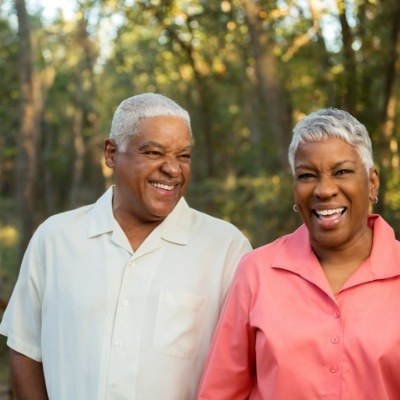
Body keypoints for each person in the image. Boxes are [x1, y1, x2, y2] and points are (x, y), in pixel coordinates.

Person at [0, 93, 251, 400]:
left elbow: (244, 368)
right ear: (111, 153)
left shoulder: (226, 248)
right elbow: (25, 348)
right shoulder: (55, 239)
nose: (173, 169)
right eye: (154, 152)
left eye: (183, 156)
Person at [197, 108, 400, 400]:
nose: (324, 189)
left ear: (372, 182)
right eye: (307, 175)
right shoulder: (257, 272)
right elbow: (220, 392)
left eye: (341, 171)